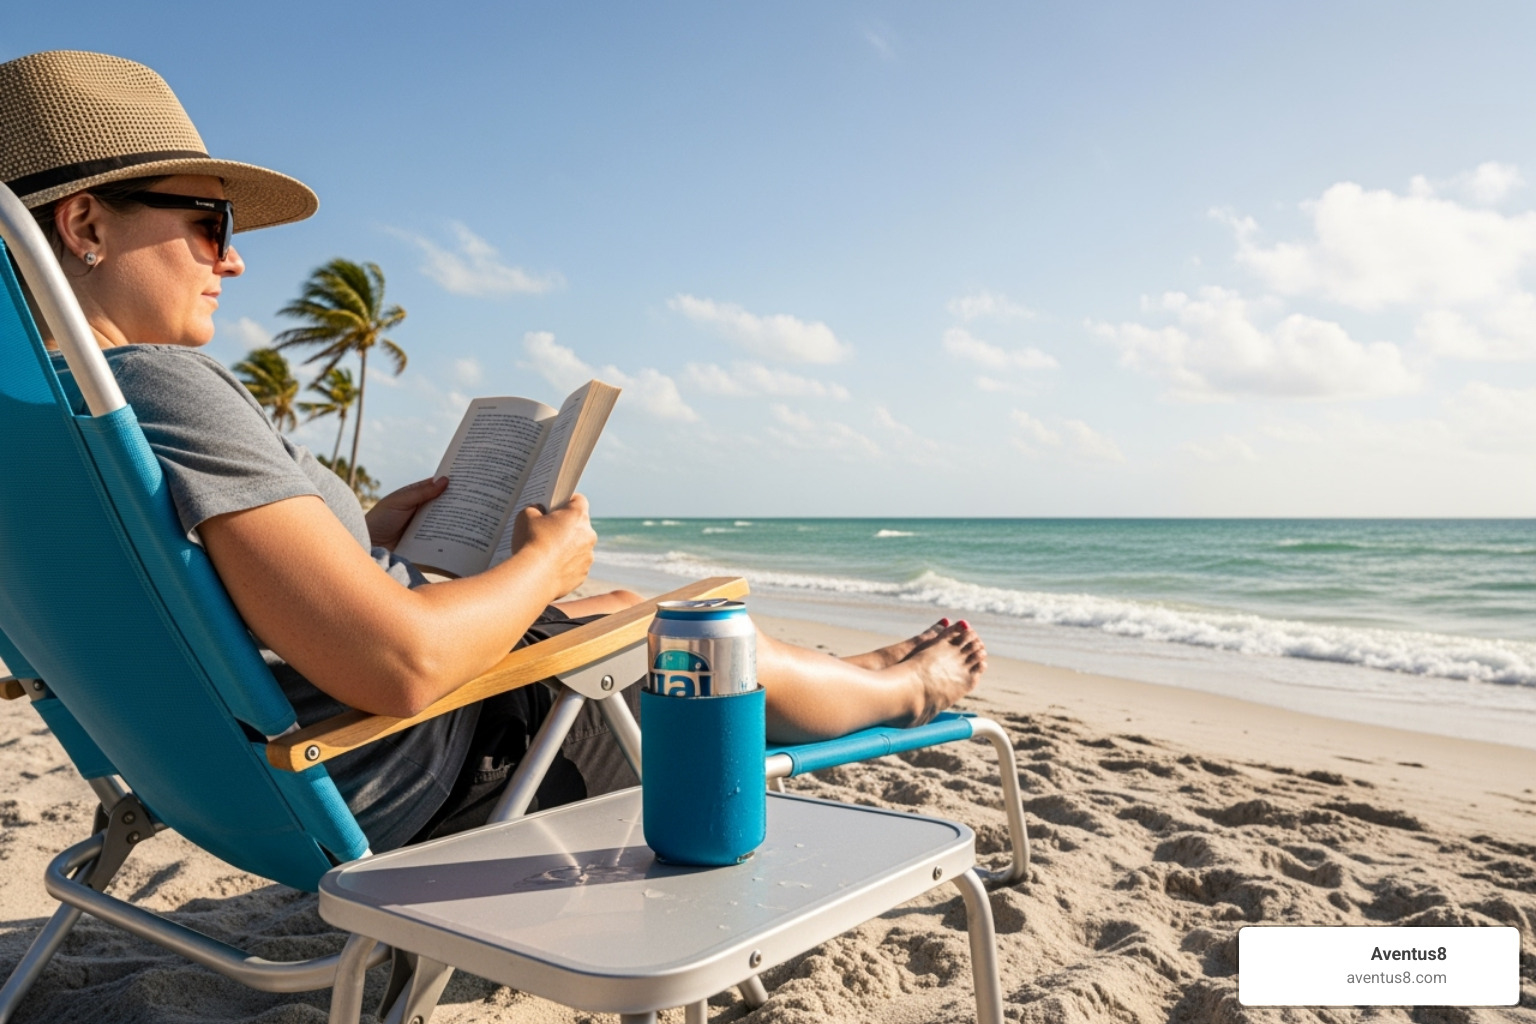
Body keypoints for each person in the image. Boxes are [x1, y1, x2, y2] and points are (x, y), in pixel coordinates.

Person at [0, 50, 987, 850]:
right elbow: (404, 662)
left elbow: (168, 587)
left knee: (613, 606)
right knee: (679, 627)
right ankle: (901, 688)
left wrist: (355, 536)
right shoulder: (156, 386)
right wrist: (541, 562)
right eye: (208, 222)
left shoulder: (38, 429)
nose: (236, 258)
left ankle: (869, 671)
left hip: (228, 793)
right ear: (84, 224)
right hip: (415, 771)